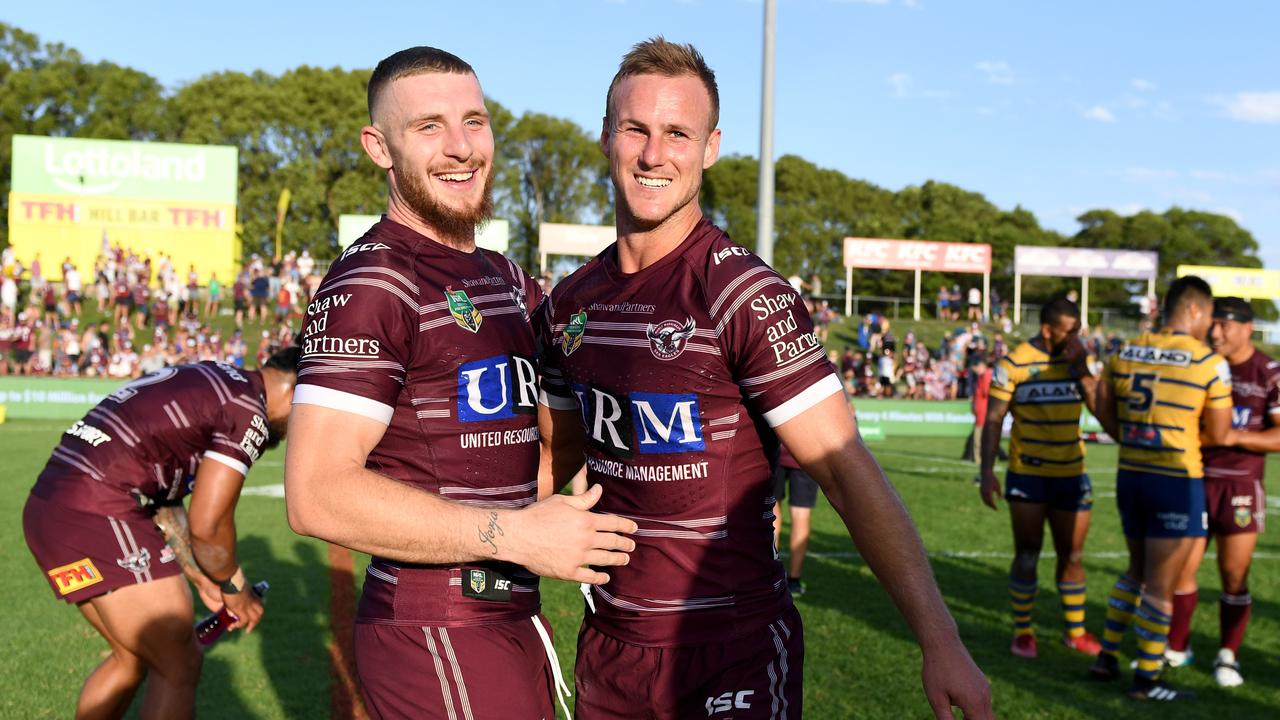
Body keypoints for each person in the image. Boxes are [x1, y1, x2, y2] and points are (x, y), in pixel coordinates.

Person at [537, 37, 990, 719]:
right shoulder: (570, 303)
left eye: (677, 133)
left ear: (710, 147)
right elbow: (547, 460)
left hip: (731, 650)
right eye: (636, 129)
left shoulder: (744, 295)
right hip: (611, 648)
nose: (654, 154)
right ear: (606, 136)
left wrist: (940, 638)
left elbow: (842, 469)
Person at [282, 46, 637, 720]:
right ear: (378, 147)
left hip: (505, 612)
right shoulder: (372, 281)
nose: (460, 147)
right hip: (435, 626)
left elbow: (532, 446)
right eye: (429, 128)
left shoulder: (502, 276)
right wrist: (515, 537)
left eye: (474, 122)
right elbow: (316, 495)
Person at [23, 347, 302, 718]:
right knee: (179, 663)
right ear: (295, 394)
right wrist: (234, 586)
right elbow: (209, 525)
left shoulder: (221, 378)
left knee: (132, 658)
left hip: (51, 509)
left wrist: (199, 576)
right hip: (99, 508)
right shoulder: (248, 410)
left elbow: (161, 494)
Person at [1088, 275, 1232, 700]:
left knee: (1135, 571)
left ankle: (1107, 656)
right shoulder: (1208, 362)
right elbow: (1220, 434)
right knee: (1160, 585)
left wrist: (1133, 437)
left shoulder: (1125, 351)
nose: (1210, 325)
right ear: (1193, 310)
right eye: (1208, 315)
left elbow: (1104, 412)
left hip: (1130, 473)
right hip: (1175, 477)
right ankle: (1147, 679)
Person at [979, 298, 1102, 659]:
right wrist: (987, 472)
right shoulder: (1013, 363)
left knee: (1073, 556)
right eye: (1070, 331)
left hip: (1072, 474)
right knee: (1028, 555)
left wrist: (1083, 370)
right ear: (1048, 330)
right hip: (1028, 475)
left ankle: (1075, 632)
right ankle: (1024, 632)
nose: (1076, 337)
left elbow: (1098, 406)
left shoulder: (1080, 362)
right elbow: (993, 419)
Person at [1165, 297, 1278, 687]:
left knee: (1233, 574)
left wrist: (1232, 435)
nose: (1216, 333)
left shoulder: (1269, 372)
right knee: (1182, 569)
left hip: (1241, 485)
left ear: (1247, 327)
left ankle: (1228, 655)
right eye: (1214, 325)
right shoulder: (1204, 365)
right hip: (1195, 479)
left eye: (1225, 325)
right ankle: (1177, 647)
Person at [771, 443, 820, 596]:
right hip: (807, 452)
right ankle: (794, 581)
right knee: (801, 515)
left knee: (773, 512)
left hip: (777, 449)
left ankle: (772, 576)